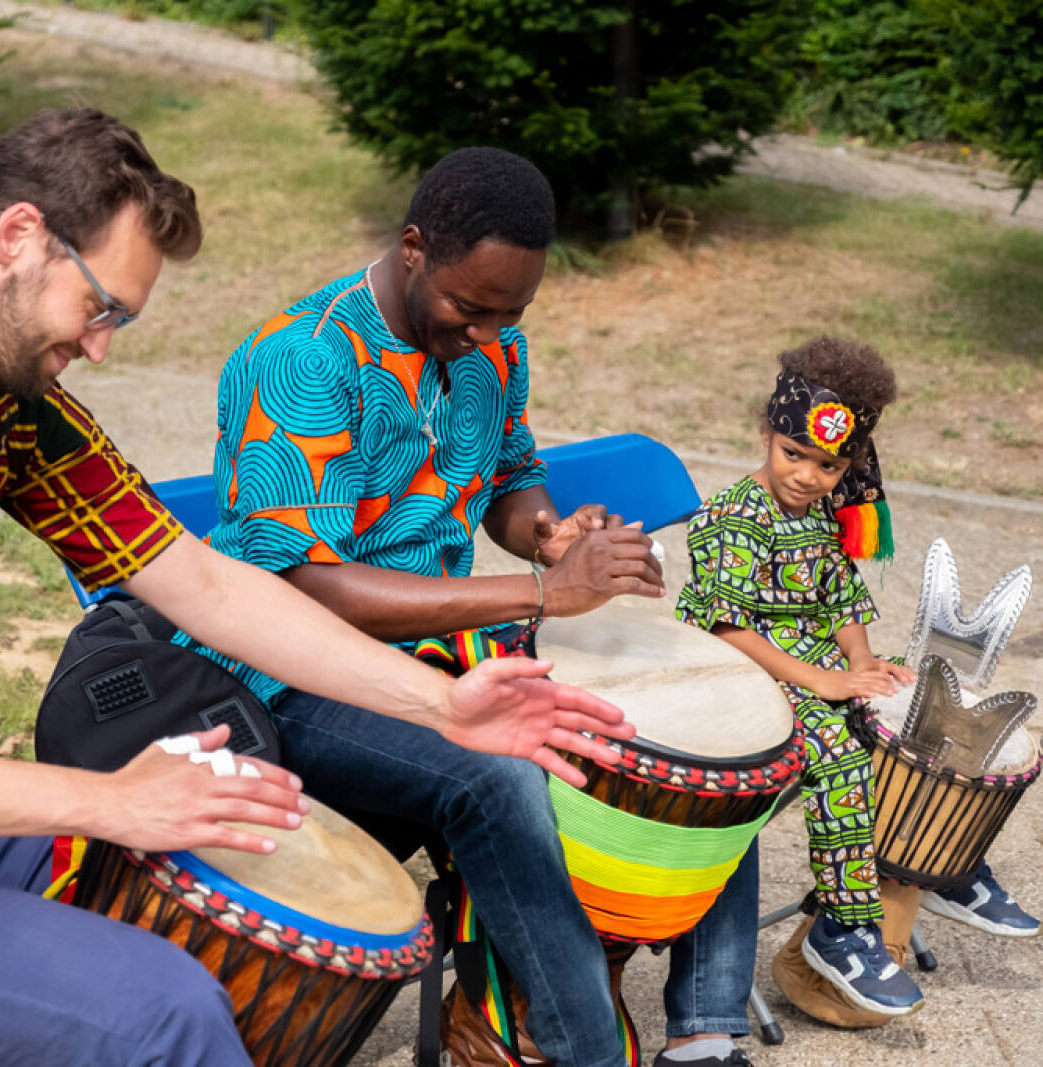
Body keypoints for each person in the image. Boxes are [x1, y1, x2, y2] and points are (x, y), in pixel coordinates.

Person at [0, 108, 635, 1067]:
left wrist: (442, 705)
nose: (100, 345)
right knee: (166, 1005)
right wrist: (114, 800)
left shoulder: (6, 406)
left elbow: (207, 584)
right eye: (101, 306)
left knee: (203, 919)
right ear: (18, 236)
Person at [188, 146, 756, 1067]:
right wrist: (542, 590)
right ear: (414, 248)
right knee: (496, 775)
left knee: (681, 731)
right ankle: (581, 1046)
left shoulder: (492, 344)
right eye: (468, 307)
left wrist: (550, 534)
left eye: (510, 314)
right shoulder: (302, 357)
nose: (487, 333)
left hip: (443, 650)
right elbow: (307, 585)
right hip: (293, 674)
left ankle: (705, 1026)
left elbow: (509, 479)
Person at [678, 336, 1038, 1021]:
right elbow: (727, 629)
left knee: (922, 713)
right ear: (766, 432)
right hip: (745, 669)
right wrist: (822, 680)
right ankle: (842, 928)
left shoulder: (817, 512)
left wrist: (861, 666)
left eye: (829, 465)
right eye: (794, 454)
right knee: (843, 751)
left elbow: (840, 600)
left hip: (806, 660)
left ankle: (943, 863)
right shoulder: (732, 518)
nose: (807, 476)